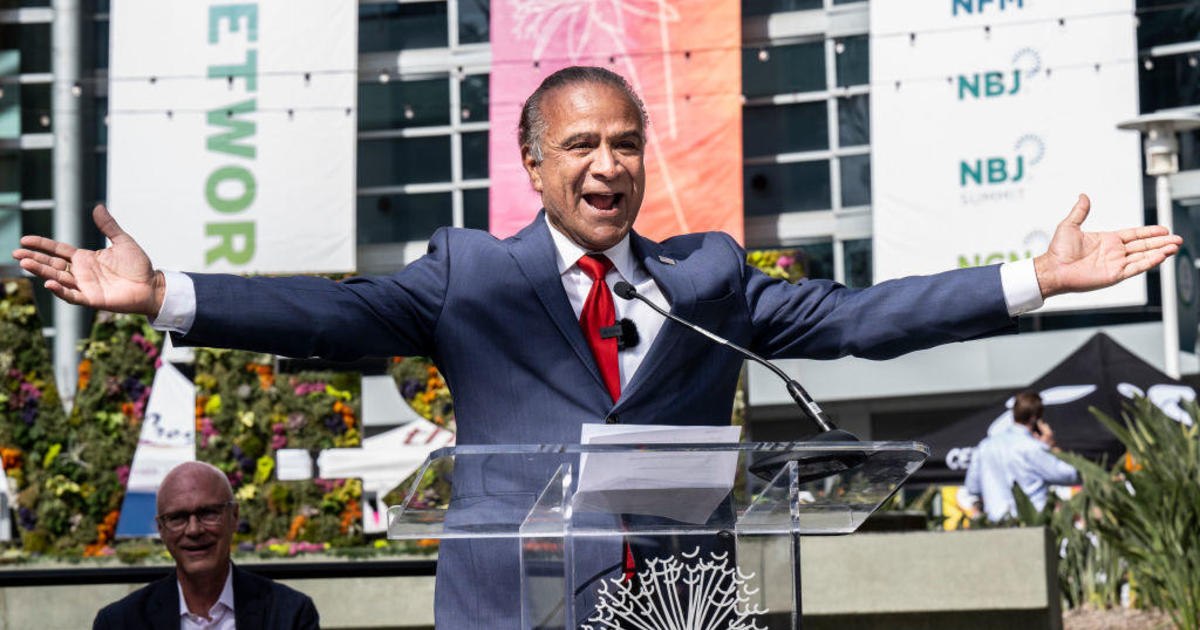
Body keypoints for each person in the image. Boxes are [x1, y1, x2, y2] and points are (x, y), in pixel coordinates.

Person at [17, 66, 1178, 629]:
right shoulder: (471, 277)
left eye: (625, 143)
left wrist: (1031, 278)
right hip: (510, 615)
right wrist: (169, 293)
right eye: (580, 145)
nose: (608, 165)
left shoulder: (707, 278)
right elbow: (335, 319)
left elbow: (858, 323)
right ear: (535, 163)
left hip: (679, 609)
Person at [92, 462, 319, 630]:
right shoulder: (119, 623)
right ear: (161, 530)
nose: (193, 530)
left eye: (208, 513)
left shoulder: (290, 615)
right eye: (178, 518)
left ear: (235, 517)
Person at [964, 392, 1080, 521]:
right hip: (1032, 524)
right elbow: (1070, 474)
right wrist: (1052, 447)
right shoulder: (1033, 447)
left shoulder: (985, 446)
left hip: (996, 524)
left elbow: (972, 487)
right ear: (1035, 418)